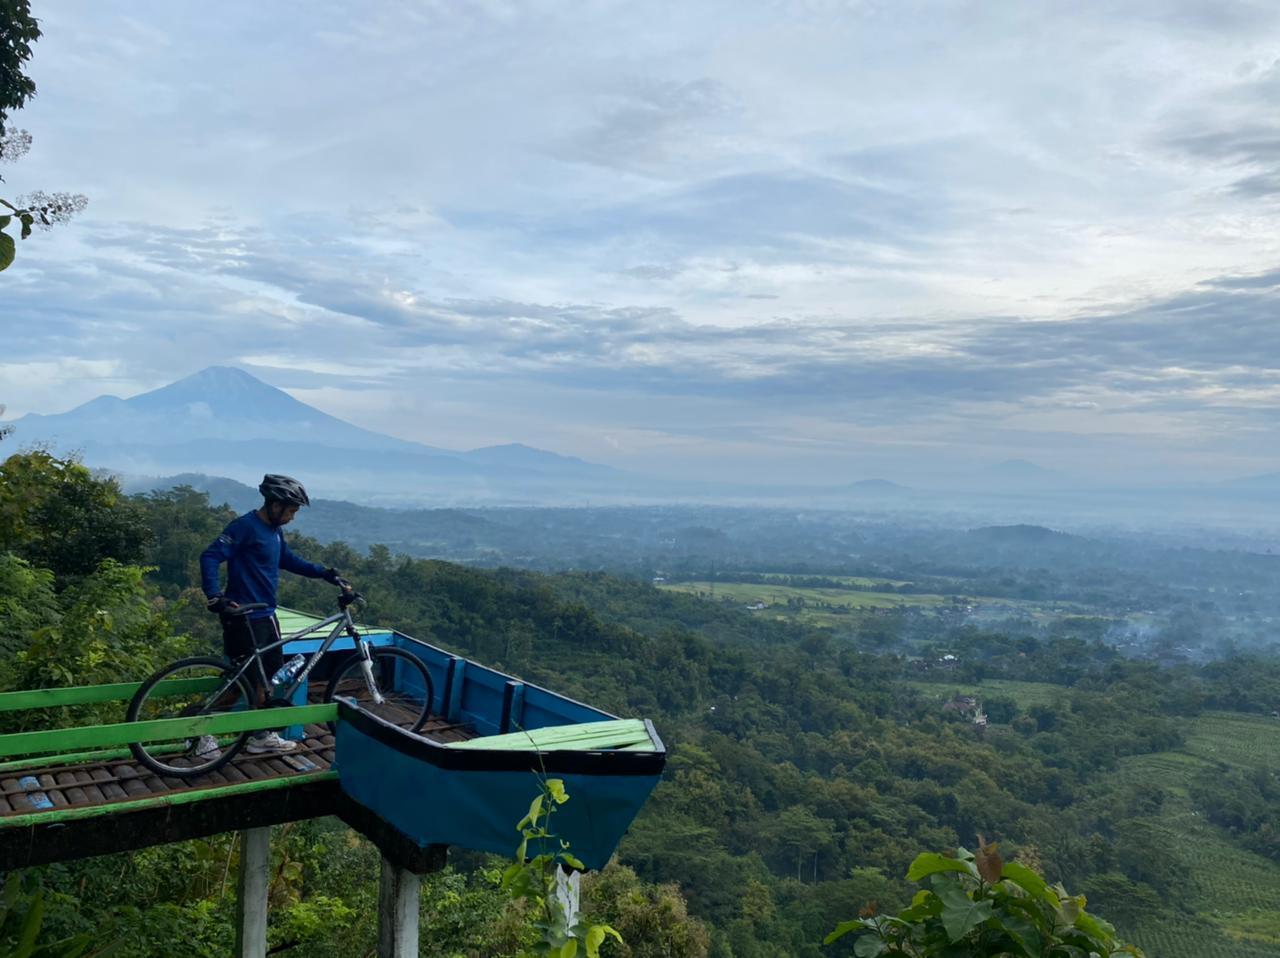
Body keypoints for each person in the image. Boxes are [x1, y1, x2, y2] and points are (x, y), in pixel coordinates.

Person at [199, 474, 346, 756]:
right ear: (275, 504)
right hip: (242, 616)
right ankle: (198, 733)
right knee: (242, 683)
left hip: (266, 616)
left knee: (268, 680)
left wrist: (324, 574)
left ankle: (260, 736)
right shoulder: (245, 527)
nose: (292, 517)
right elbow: (210, 556)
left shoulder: (274, 531)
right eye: (291, 510)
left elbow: (287, 560)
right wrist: (215, 596)